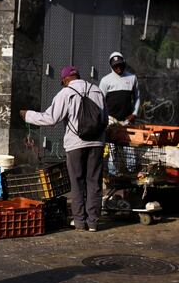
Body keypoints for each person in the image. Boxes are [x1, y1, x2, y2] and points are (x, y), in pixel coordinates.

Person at [19, 66, 106, 232]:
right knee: (94, 182)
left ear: (65, 80)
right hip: (97, 143)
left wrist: (28, 115)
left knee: (77, 182)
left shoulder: (66, 93)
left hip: (76, 144)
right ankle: (93, 222)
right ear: (78, 76)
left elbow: (51, 118)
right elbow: (105, 119)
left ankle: (80, 222)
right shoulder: (97, 91)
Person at [99, 51, 140, 124]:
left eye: (120, 65)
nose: (118, 68)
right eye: (115, 66)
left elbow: (137, 97)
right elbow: (100, 101)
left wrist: (134, 114)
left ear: (124, 63)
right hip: (110, 121)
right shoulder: (105, 80)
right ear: (111, 66)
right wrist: (103, 118)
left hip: (127, 121)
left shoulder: (132, 78)